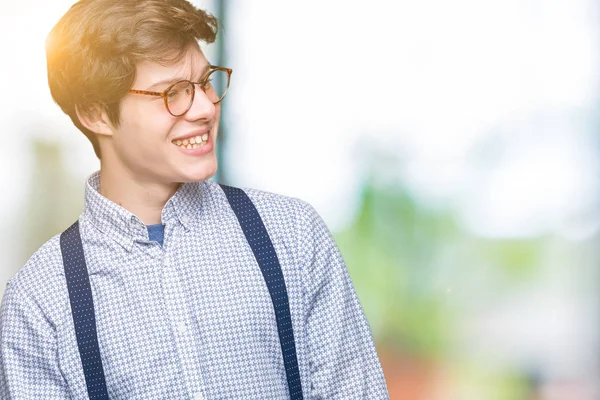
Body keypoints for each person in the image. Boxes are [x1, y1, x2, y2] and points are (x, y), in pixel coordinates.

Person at [0, 0, 390, 398]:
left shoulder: (291, 234)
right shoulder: (39, 302)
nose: (205, 108)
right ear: (95, 113)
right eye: (173, 93)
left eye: (205, 82)